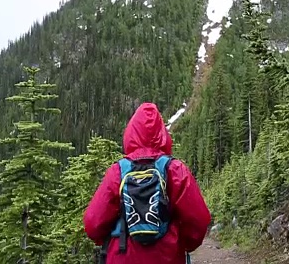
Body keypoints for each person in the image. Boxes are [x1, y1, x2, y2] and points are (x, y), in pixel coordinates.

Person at [83, 102, 211, 263]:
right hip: (167, 257)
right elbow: (198, 221)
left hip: (122, 256)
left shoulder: (118, 171)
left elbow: (93, 224)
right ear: (162, 134)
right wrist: (181, 243)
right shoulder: (175, 170)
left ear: (130, 133)